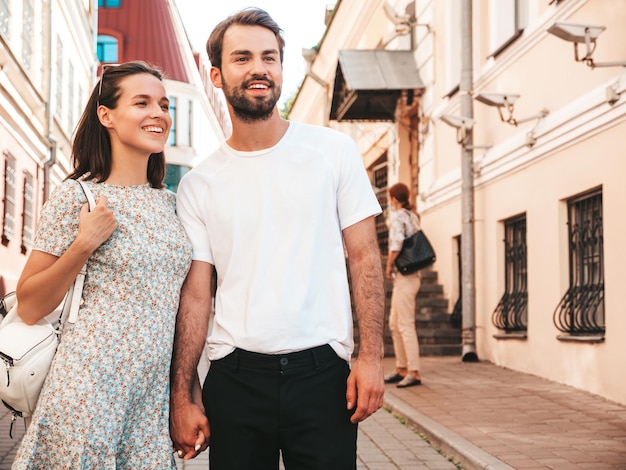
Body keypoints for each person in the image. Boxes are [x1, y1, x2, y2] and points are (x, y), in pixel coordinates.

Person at [169, 7, 386, 469]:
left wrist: (371, 356)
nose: (259, 69)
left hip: (324, 375)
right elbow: (196, 295)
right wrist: (183, 393)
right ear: (216, 73)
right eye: (242, 57)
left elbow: (365, 256)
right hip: (235, 377)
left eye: (270, 57)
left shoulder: (332, 152)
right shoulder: (198, 185)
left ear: (281, 69)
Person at [12, 61, 192, 469]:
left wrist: (186, 392)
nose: (158, 114)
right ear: (106, 114)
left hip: (150, 400)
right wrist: (83, 245)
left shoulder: (171, 204)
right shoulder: (76, 196)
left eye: (164, 105)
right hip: (89, 391)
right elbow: (29, 304)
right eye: (142, 102)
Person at [384, 182, 423, 388]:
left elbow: (397, 242)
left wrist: (389, 264)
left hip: (407, 276)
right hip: (408, 276)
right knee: (394, 323)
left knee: (405, 324)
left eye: (390, 197)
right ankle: (401, 368)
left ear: (394, 199)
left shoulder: (400, 216)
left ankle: (414, 372)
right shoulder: (412, 215)